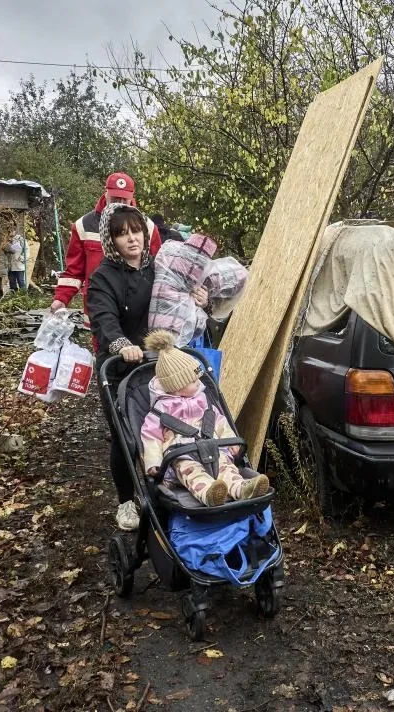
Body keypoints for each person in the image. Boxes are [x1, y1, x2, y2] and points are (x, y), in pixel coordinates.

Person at [86, 203, 209, 530]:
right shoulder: (103, 278)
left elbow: (177, 296)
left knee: (172, 429)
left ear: (145, 232)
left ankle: (174, 487)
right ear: (110, 240)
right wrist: (121, 344)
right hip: (120, 368)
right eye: (121, 233)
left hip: (160, 366)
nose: (131, 239)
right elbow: (103, 320)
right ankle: (127, 501)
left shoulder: (160, 269)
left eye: (136, 230)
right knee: (126, 438)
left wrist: (197, 296)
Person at [140, 329, 269, 506]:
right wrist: (153, 461)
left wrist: (231, 442)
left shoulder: (203, 400)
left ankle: (242, 488)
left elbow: (220, 421)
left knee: (226, 468)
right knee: (193, 473)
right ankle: (209, 493)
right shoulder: (160, 410)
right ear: (177, 386)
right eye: (193, 381)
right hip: (182, 454)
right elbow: (151, 437)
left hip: (213, 448)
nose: (199, 382)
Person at [50, 173, 163, 318]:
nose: (120, 203)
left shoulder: (148, 227)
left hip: (137, 310)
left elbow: (159, 269)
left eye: (124, 199)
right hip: (99, 307)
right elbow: (74, 271)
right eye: (115, 198)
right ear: (106, 194)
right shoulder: (83, 225)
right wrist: (61, 298)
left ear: (132, 198)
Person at [2, 222, 27, 291]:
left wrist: (22, 258)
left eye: (11, 231)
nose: (10, 232)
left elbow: (26, 250)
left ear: (15, 231)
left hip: (19, 265)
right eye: (9, 231)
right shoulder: (6, 240)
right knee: (12, 282)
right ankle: (14, 297)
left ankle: (24, 296)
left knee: (21, 281)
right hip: (10, 265)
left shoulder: (21, 239)